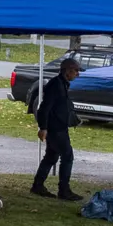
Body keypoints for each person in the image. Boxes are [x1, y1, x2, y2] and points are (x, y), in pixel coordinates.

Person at [31, 57, 82, 202]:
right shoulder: (56, 85)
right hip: (56, 129)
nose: (77, 74)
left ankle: (38, 185)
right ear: (67, 71)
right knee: (67, 157)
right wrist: (43, 128)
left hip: (59, 127)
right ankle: (64, 190)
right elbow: (44, 108)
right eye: (76, 71)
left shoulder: (63, 84)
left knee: (51, 157)